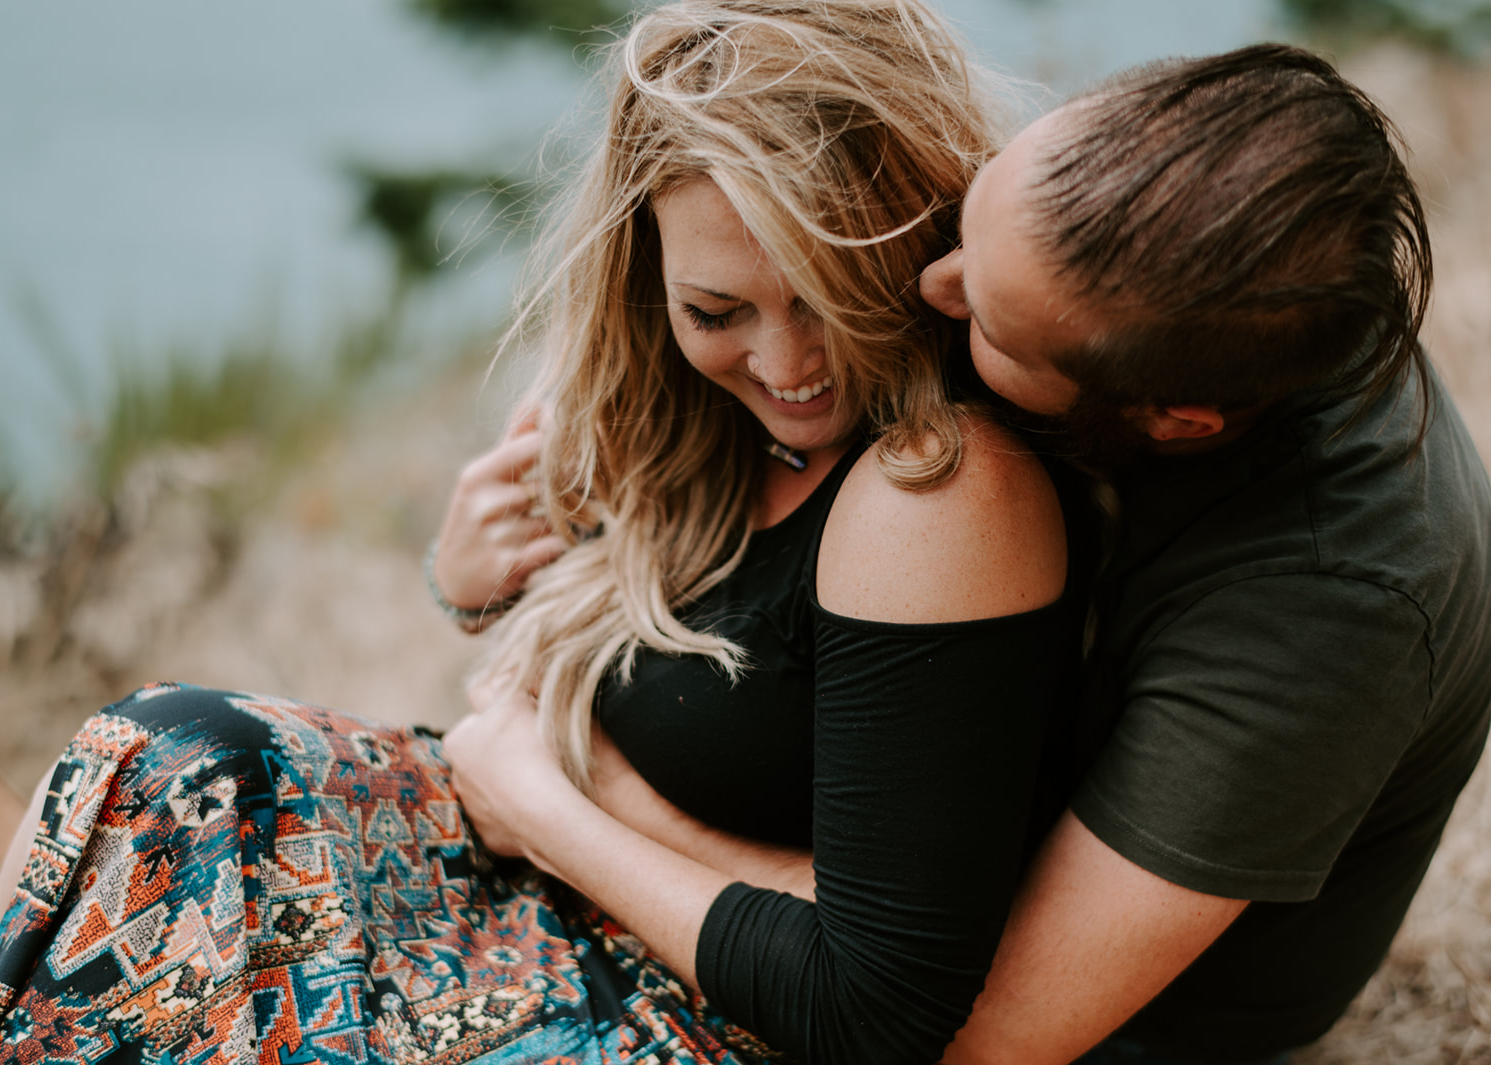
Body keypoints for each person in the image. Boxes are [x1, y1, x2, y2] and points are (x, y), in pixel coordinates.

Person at [0, 3, 1081, 1065]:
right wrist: (469, 581)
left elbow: (878, 999)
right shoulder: (699, 425)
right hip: (534, 893)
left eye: (826, 297)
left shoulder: (940, 492)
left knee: (153, 908)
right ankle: (58, 920)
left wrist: (559, 808)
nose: (783, 365)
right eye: (716, 310)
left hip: (679, 1006)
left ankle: (39, 917)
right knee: (173, 761)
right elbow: (723, 690)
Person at [454, 43, 1491, 1065]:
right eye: (972, 224)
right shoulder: (1153, 212)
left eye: (986, 319)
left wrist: (573, 802)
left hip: (1125, 1028)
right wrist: (482, 581)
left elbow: (972, 1031)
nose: (931, 290)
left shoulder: (1325, 604)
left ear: (1174, 422)